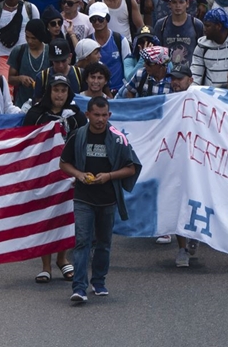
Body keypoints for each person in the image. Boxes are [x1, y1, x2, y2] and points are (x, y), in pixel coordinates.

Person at [59, 96, 142, 302]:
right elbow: (63, 163)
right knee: (82, 242)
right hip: (83, 198)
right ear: (87, 115)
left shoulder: (117, 139)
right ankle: (78, 287)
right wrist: (79, 175)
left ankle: (99, 282)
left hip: (108, 200)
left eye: (104, 115)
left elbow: (131, 167)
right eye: (96, 115)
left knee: (103, 243)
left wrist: (108, 176)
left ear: (110, 115)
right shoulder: (78, 136)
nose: (100, 119)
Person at [24, 75, 86, 284]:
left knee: (67, 216)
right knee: (46, 216)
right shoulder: (36, 115)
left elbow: (83, 142)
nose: (59, 95)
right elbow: (26, 142)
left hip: (69, 173)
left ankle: (62, 258)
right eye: (56, 90)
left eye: (63, 91)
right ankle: (45, 266)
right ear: (49, 92)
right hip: (45, 175)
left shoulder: (77, 116)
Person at [152, 0, 204, 70]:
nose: (178, 6)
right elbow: (156, 51)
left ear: (187, 3)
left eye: (181, 2)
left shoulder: (196, 24)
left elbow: (202, 52)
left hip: (190, 73)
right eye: (174, 2)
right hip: (168, 73)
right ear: (169, 4)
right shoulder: (161, 25)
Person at [88, 2, 133, 92]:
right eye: (93, 19)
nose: (97, 22)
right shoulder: (87, 43)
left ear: (107, 19)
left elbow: (128, 68)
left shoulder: (120, 40)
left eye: (100, 19)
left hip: (119, 92)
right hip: (95, 92)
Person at [7, 18, 51, 109]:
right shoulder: (19, 51)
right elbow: (10, 79)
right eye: (27, 37)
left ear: (41, 36)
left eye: (34, 38)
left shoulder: (50, 52)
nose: (30, 41)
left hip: (46, 106)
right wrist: (20, 78)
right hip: (22, 105)